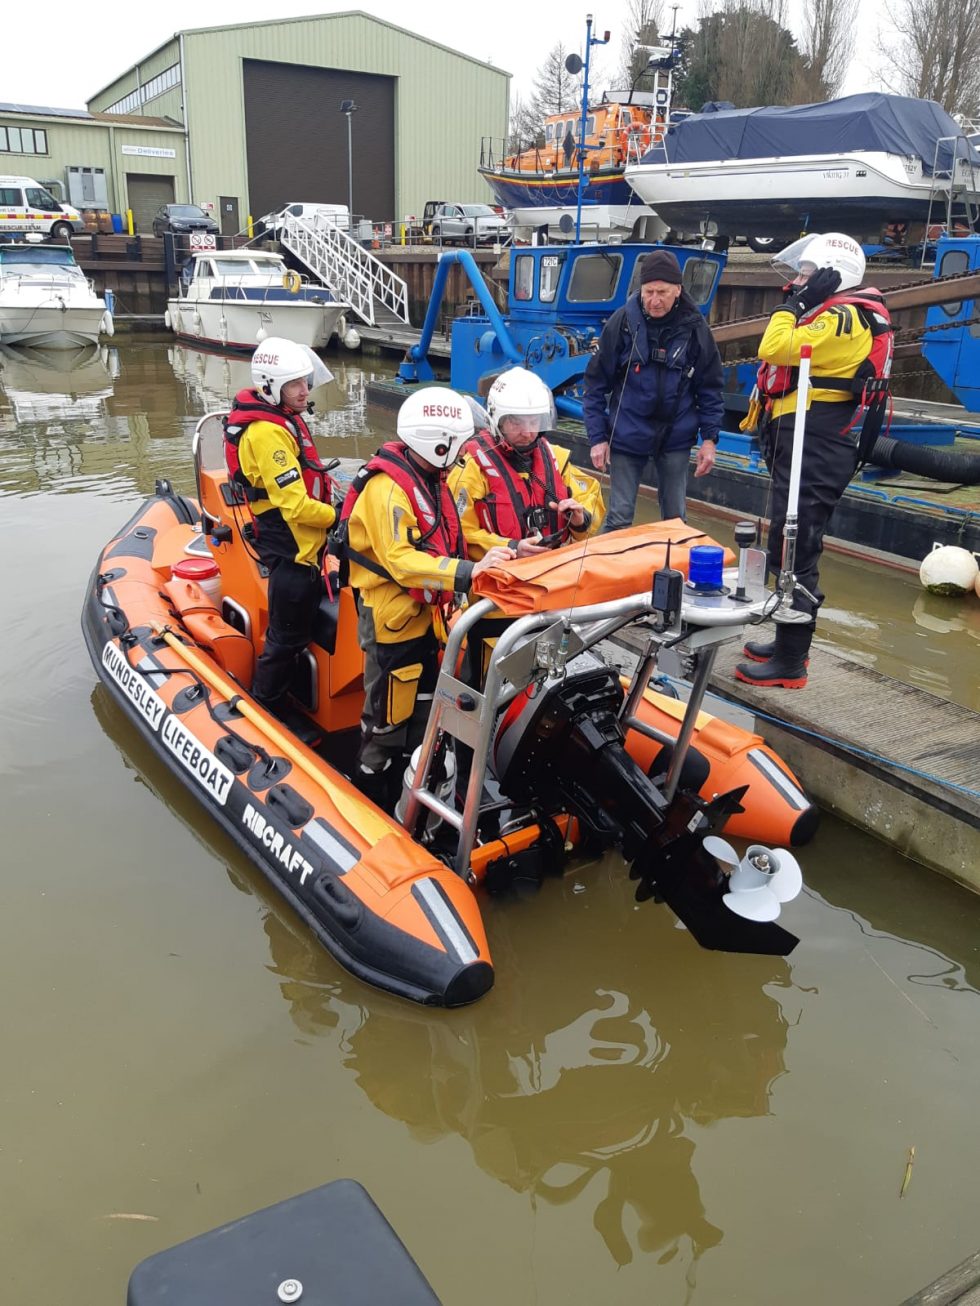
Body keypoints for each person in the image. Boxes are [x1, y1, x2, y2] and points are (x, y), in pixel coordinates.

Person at [341, 388, 514, 808]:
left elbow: (447, 540)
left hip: (426, 618)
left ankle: (416, 789)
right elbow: (401, 561)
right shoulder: (388, 490)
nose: (465, 449)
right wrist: (468, 573)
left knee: (421, 710)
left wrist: (488, 556)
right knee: (385, 720)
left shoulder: (432, 480)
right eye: (458, 442)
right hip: (391, 622)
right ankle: (370, 795)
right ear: (439, 443)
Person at [735, 231, 883, 689]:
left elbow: (774, 347)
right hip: (803, 434)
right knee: (785, 536)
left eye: (805, 274)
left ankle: (792, 660)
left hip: (817, 441)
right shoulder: (834, 312)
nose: (797, 283)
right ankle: (785, 641)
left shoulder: (843, 317)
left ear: (830, 277)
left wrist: (792, 306)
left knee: (798, 544)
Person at [448, 366, 605, 685]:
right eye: (517, 423)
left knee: (547, 678)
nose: (527, 431)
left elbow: (591, 499)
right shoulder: (473, 467)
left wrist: (579, 517)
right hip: (496, 606)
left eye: (533, 422)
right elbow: (457, 531)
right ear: (498, 421)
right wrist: (509, 547)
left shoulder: (556, 459)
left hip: (550, 596)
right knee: (485, 683)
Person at [223, 337, 336, 721]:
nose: (304, 391)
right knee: (285, 638)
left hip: (302, 544)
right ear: (272, 387)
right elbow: (296, 506)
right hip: (290, 546)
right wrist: (339, 517)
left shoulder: (282, 419)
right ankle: (264, 705)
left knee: (295, 630)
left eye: (305, 381)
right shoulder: (268, 432)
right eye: (294, 385)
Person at [583, 248, 724, 531]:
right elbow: (595, 385)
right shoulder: (621, 323)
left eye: (662, 292)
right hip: (628, 432)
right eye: (648, 292)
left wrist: (709, 439)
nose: (654, 300)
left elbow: (710, 387)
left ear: (677, 291)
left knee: (675, 521)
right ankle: (607, 573)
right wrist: (598, 438)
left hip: (675, 436)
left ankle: (672, 574)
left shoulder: (695, 329)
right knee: (619, 517)